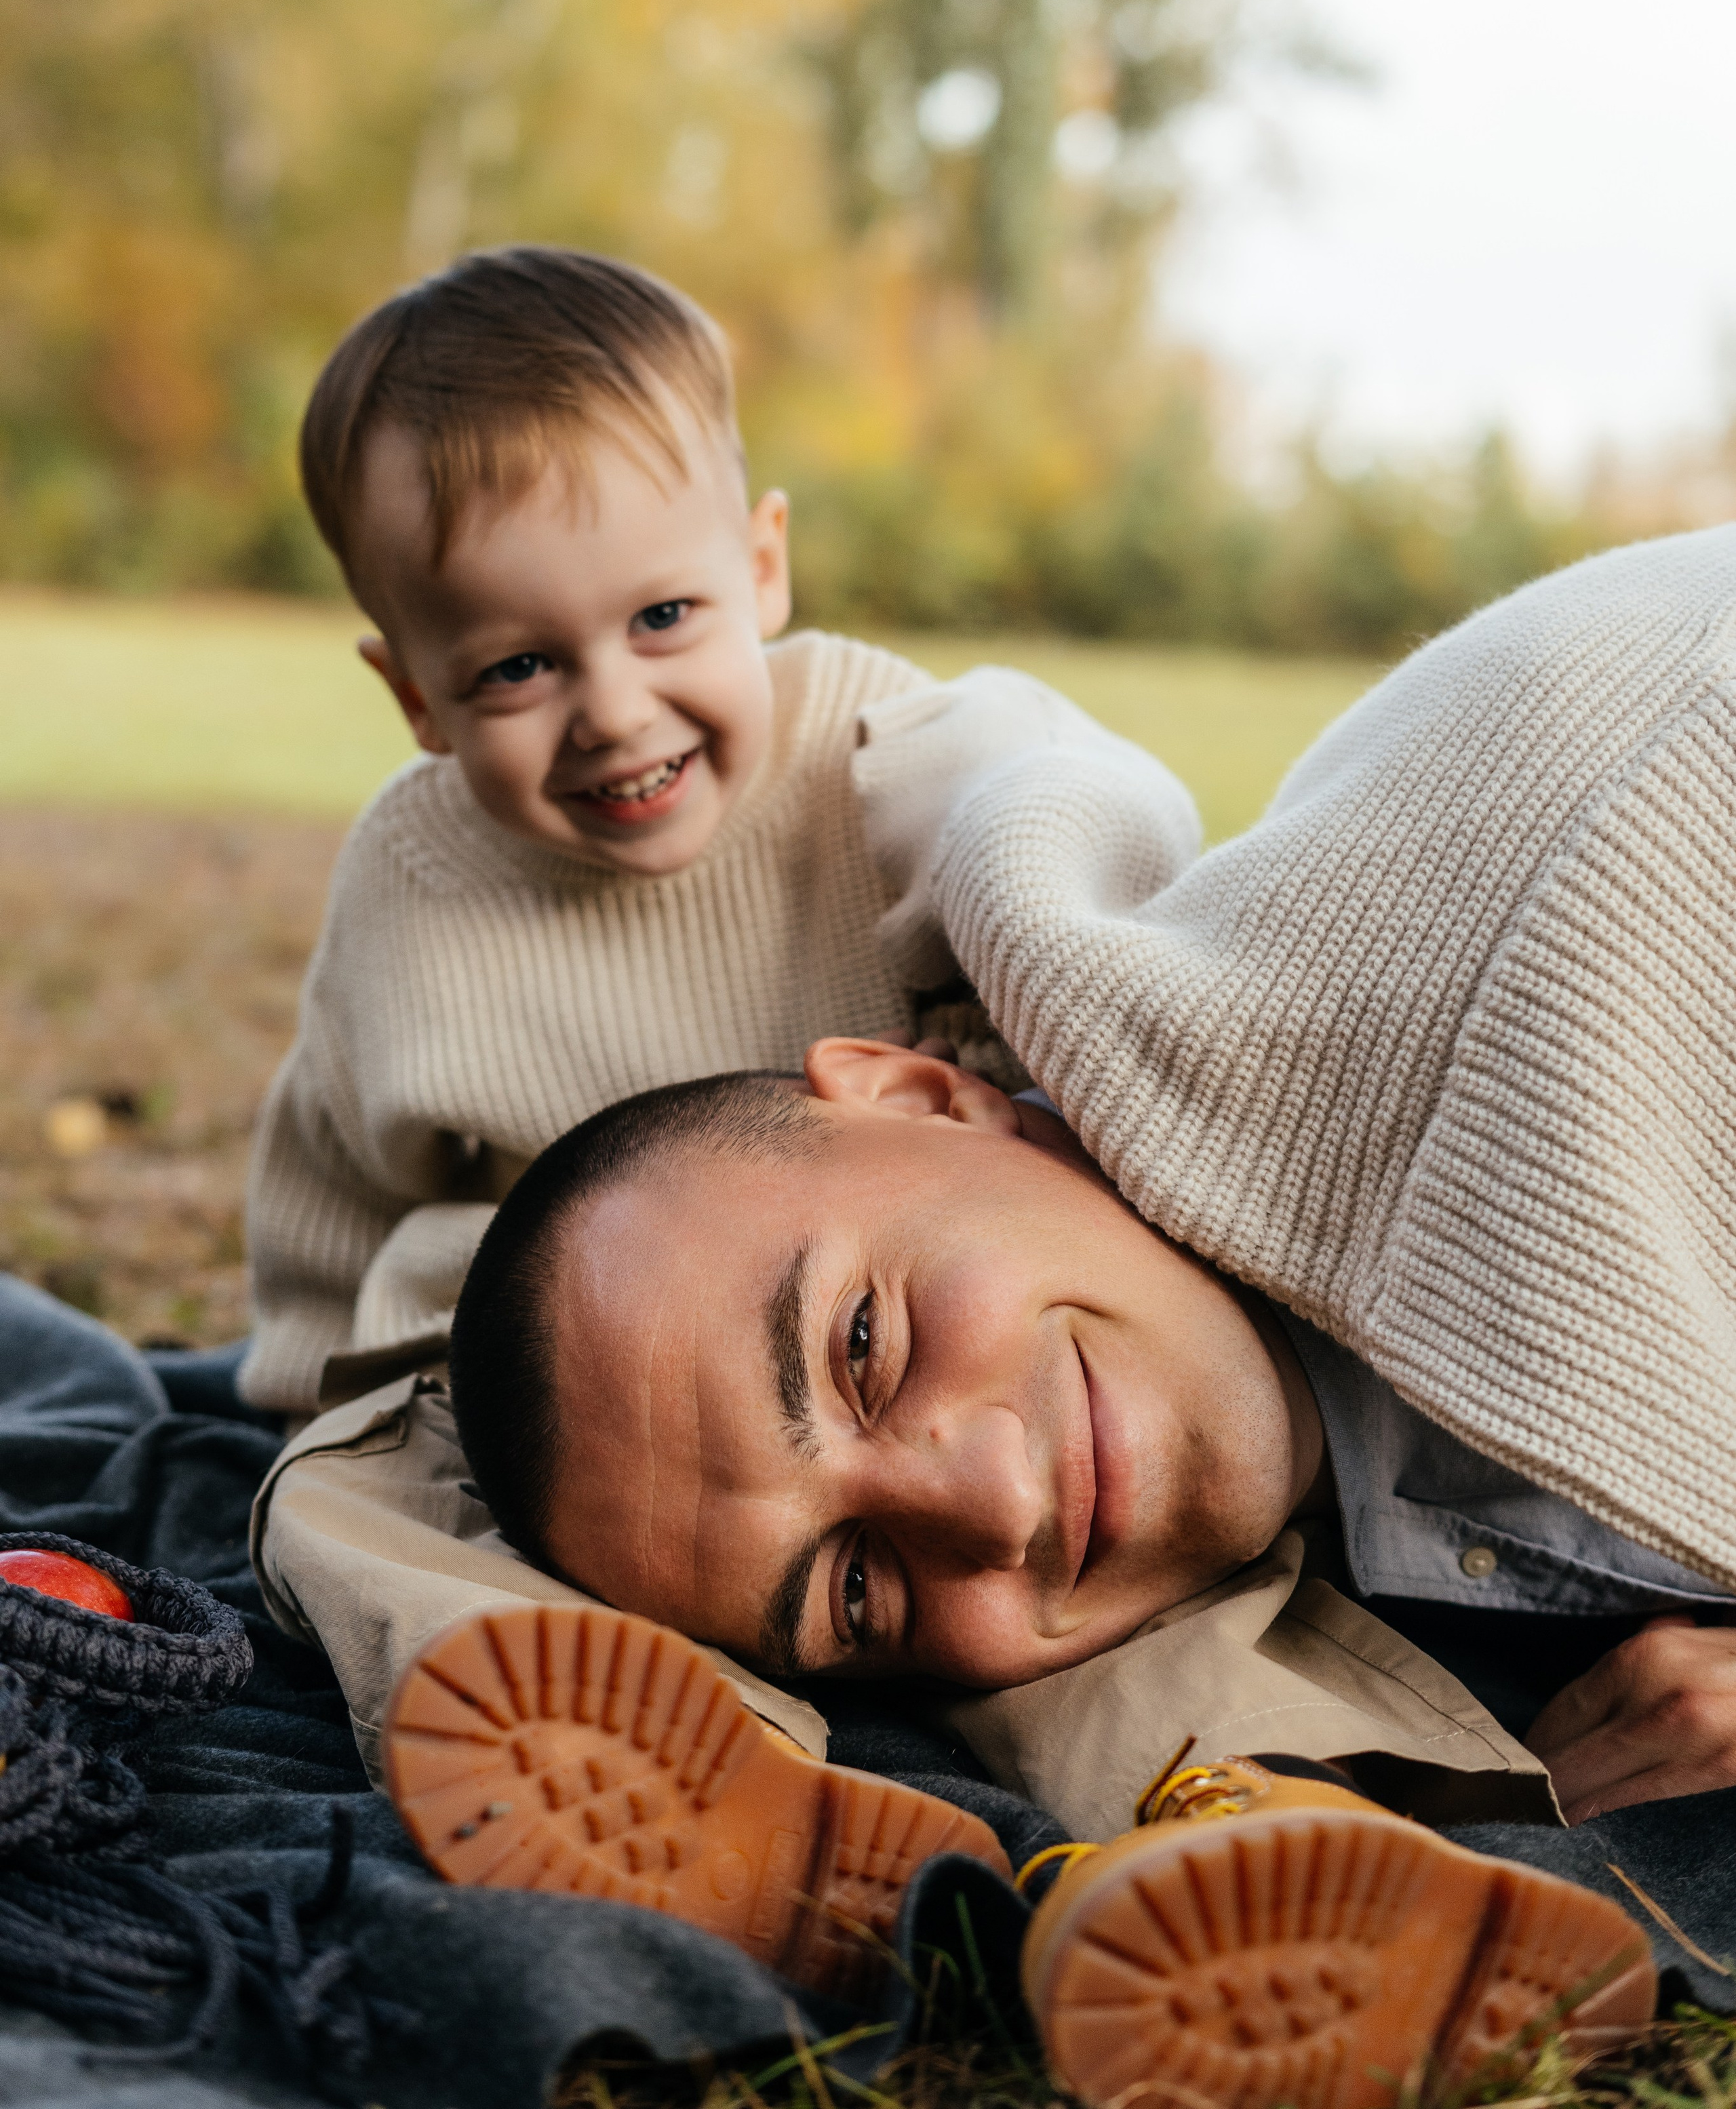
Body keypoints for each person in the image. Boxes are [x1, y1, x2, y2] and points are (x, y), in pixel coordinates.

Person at [397, 527, 1736, 2100]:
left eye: (859, 1348)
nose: (985, 1502)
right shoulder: (1257, 1497)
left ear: (922, 1095)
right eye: (852, 1591)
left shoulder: (1587, 914)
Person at [241, 241, 1200, 1807]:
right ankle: (639, 1770)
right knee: (343, 1522)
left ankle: (1230, 1800)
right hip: (557, 1421)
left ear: (761, 568)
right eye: (516, 667)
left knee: (1075, 1583)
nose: (612, 708)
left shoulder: (901, 761)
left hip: (898, 1384)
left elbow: (1112, 877)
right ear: (411, 694)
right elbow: (333, 1162)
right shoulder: (413, 888)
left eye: (664, 617)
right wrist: (309, 1398)